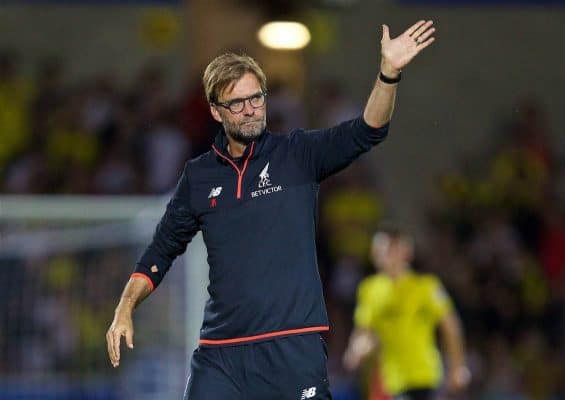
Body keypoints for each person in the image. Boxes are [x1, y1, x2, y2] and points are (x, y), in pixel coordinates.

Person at [106, 20, 437, 399]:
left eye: (256, 98)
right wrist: (124, 307)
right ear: (216, 111)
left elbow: (369, 129)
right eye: (237, 103)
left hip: (292, 348)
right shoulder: (198, 177)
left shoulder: (297, 155)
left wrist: (388, 74)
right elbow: (161, 250)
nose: (250, 110)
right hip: (221, 355)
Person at [343, 226, 470, 400]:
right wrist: (356, 350)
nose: (387, 255)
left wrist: (458, 366)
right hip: (391, 380)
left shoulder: (427, 286)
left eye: (392, 249)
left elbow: (451, 325)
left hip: (426, 375)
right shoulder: (369, 290)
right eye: (381, 250)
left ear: (406, 252)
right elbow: (364, 331)